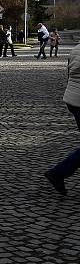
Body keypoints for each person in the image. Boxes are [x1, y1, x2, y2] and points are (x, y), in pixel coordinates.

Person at [44, 42, 80, 196]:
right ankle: (58, 172)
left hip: (73, 99)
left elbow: (69, 74)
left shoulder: (76, 48)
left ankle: (58, 173)